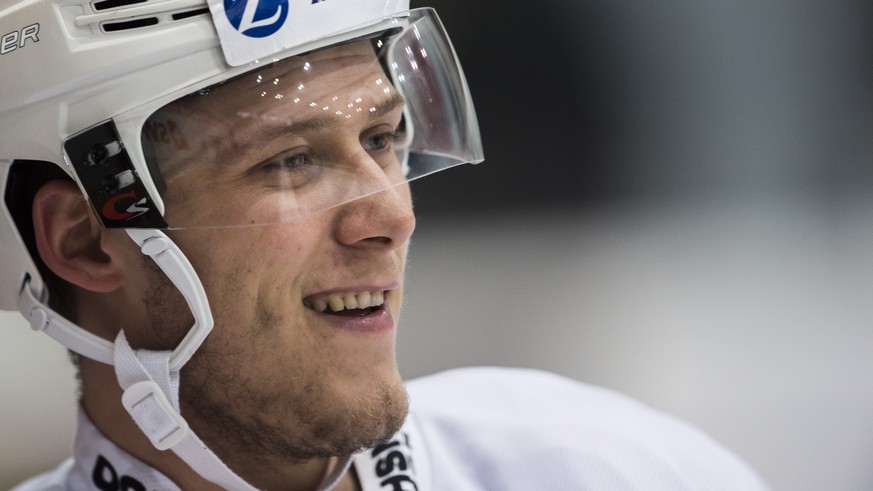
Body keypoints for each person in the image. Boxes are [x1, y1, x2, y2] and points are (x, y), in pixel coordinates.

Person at [0, 0, 770, 489]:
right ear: (86, 241)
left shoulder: (600, 465)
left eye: (382, 137)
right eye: (291, 160)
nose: (389, 215)